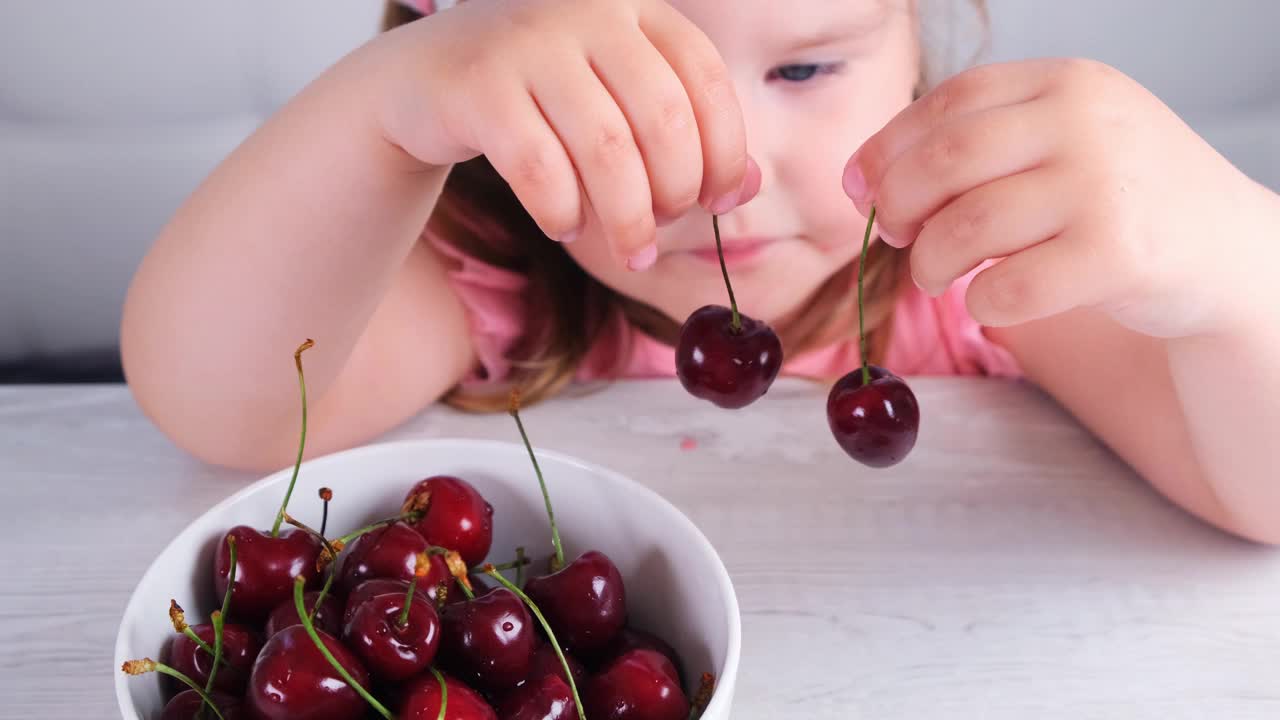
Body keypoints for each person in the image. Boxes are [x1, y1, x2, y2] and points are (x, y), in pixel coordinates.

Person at [120, 0, 1280, 543]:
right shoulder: (496, 269)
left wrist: (1232, 255)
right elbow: (225, 406)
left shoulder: (975, 255)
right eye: (620, 83)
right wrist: (388, 108)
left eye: (806, 67)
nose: (722, 169)